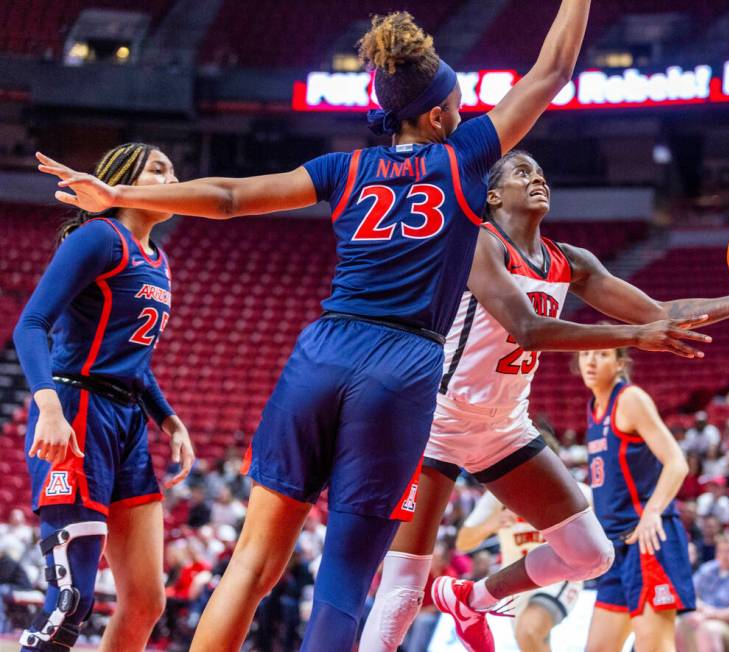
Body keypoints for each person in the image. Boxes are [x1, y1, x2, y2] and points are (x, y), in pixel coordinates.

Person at [38, 6, 624, 650]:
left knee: (252, 565)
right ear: (436, 116)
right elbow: (554, 69)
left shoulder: (343, 169)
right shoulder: (465, 157)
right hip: (401, 364)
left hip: (321, 353)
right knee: (344, 577)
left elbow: (231, 198)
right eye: (456, 106)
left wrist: (127, 197)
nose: (462, 116)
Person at [360, 147, 729, 651]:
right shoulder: (477, 244)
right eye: (522, 172)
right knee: (401, 589)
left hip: (503, 428)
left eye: (541, 172)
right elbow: (528, 330)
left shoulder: (569, 261)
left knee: (592, 555)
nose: (537, 179)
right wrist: (633, 337)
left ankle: (474, 598)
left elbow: (661, 311)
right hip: (436, 422)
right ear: (492, 195)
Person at [14, 143, 194, 652]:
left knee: (145, 600)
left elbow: (132, 360)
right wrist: (48, 406)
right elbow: (32, 325)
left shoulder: (160, 258)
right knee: (71, 599)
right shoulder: (100, 236)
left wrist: (168, 419)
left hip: (127, 421)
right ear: (122, 181)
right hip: (77, 411)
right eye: (159, 169)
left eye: (175, 169)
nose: (172, 178)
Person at [579, 347, 696, 652]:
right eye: (584, 353)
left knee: (653, 646)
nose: (590, 361)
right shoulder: (594, 407)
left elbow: (676, 462)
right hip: (615, 547)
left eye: (602, 354)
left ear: (620, 363)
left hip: (648, 539)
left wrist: (652, 512)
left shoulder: (630, 399)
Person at [453, 436, 592, 652]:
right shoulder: (498, 496)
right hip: (517, 584)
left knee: (529, 630)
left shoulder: (579, 492)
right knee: (529, 641)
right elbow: (463, 543)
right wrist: (491, 524)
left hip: (560, 577)